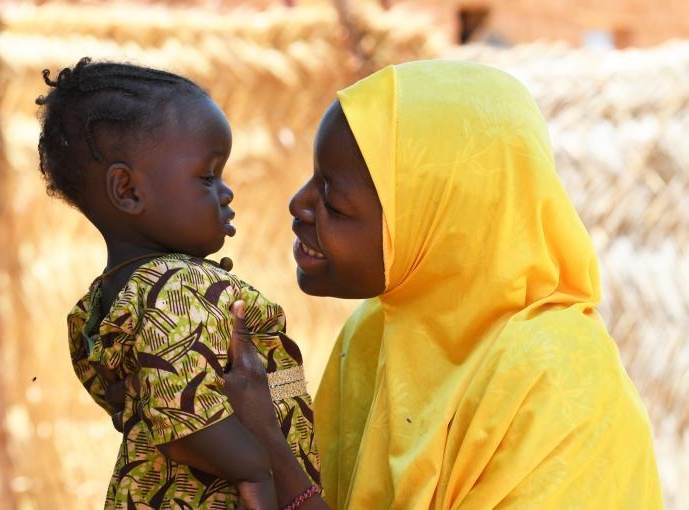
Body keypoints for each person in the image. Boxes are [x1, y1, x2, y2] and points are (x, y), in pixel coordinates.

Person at [222, 60, 664, 509]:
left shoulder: (559, 383)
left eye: (334, 202)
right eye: (313, 177)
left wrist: (270, 450)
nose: (298, 203)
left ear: (440, 225)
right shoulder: (373, 333)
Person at [35, 58, 320, 509]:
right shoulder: (178, 285)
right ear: (127, 190)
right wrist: (256, 471)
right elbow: (182, 415)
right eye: (207, 176)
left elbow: (126, 405)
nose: (225, 192)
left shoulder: (95, 308)